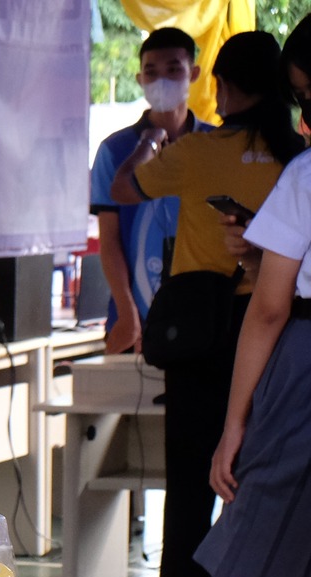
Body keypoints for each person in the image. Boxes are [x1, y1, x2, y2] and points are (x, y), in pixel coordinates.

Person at [114, 30, 304, 577]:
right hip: (278, 339)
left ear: (218, 84)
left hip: (199, 339)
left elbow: (123, 190)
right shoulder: (294, 157)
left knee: (191, 481)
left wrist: (150, 138)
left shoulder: (196, 152)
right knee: (261, 479)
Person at [187, 18, 311, 577]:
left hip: (303, 376)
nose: (303, 119)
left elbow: (267, 310)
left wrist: (234, 424)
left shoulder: (306, 178)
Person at [90, 29, 208, 356]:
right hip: (134, 319)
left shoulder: (213, 145)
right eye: (152, 72)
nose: (162, 81)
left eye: (174, 70)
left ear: (193, 74)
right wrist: (128, 313)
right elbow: (109, 240)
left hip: (204, 317)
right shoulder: (114, 151)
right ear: (139, 78)